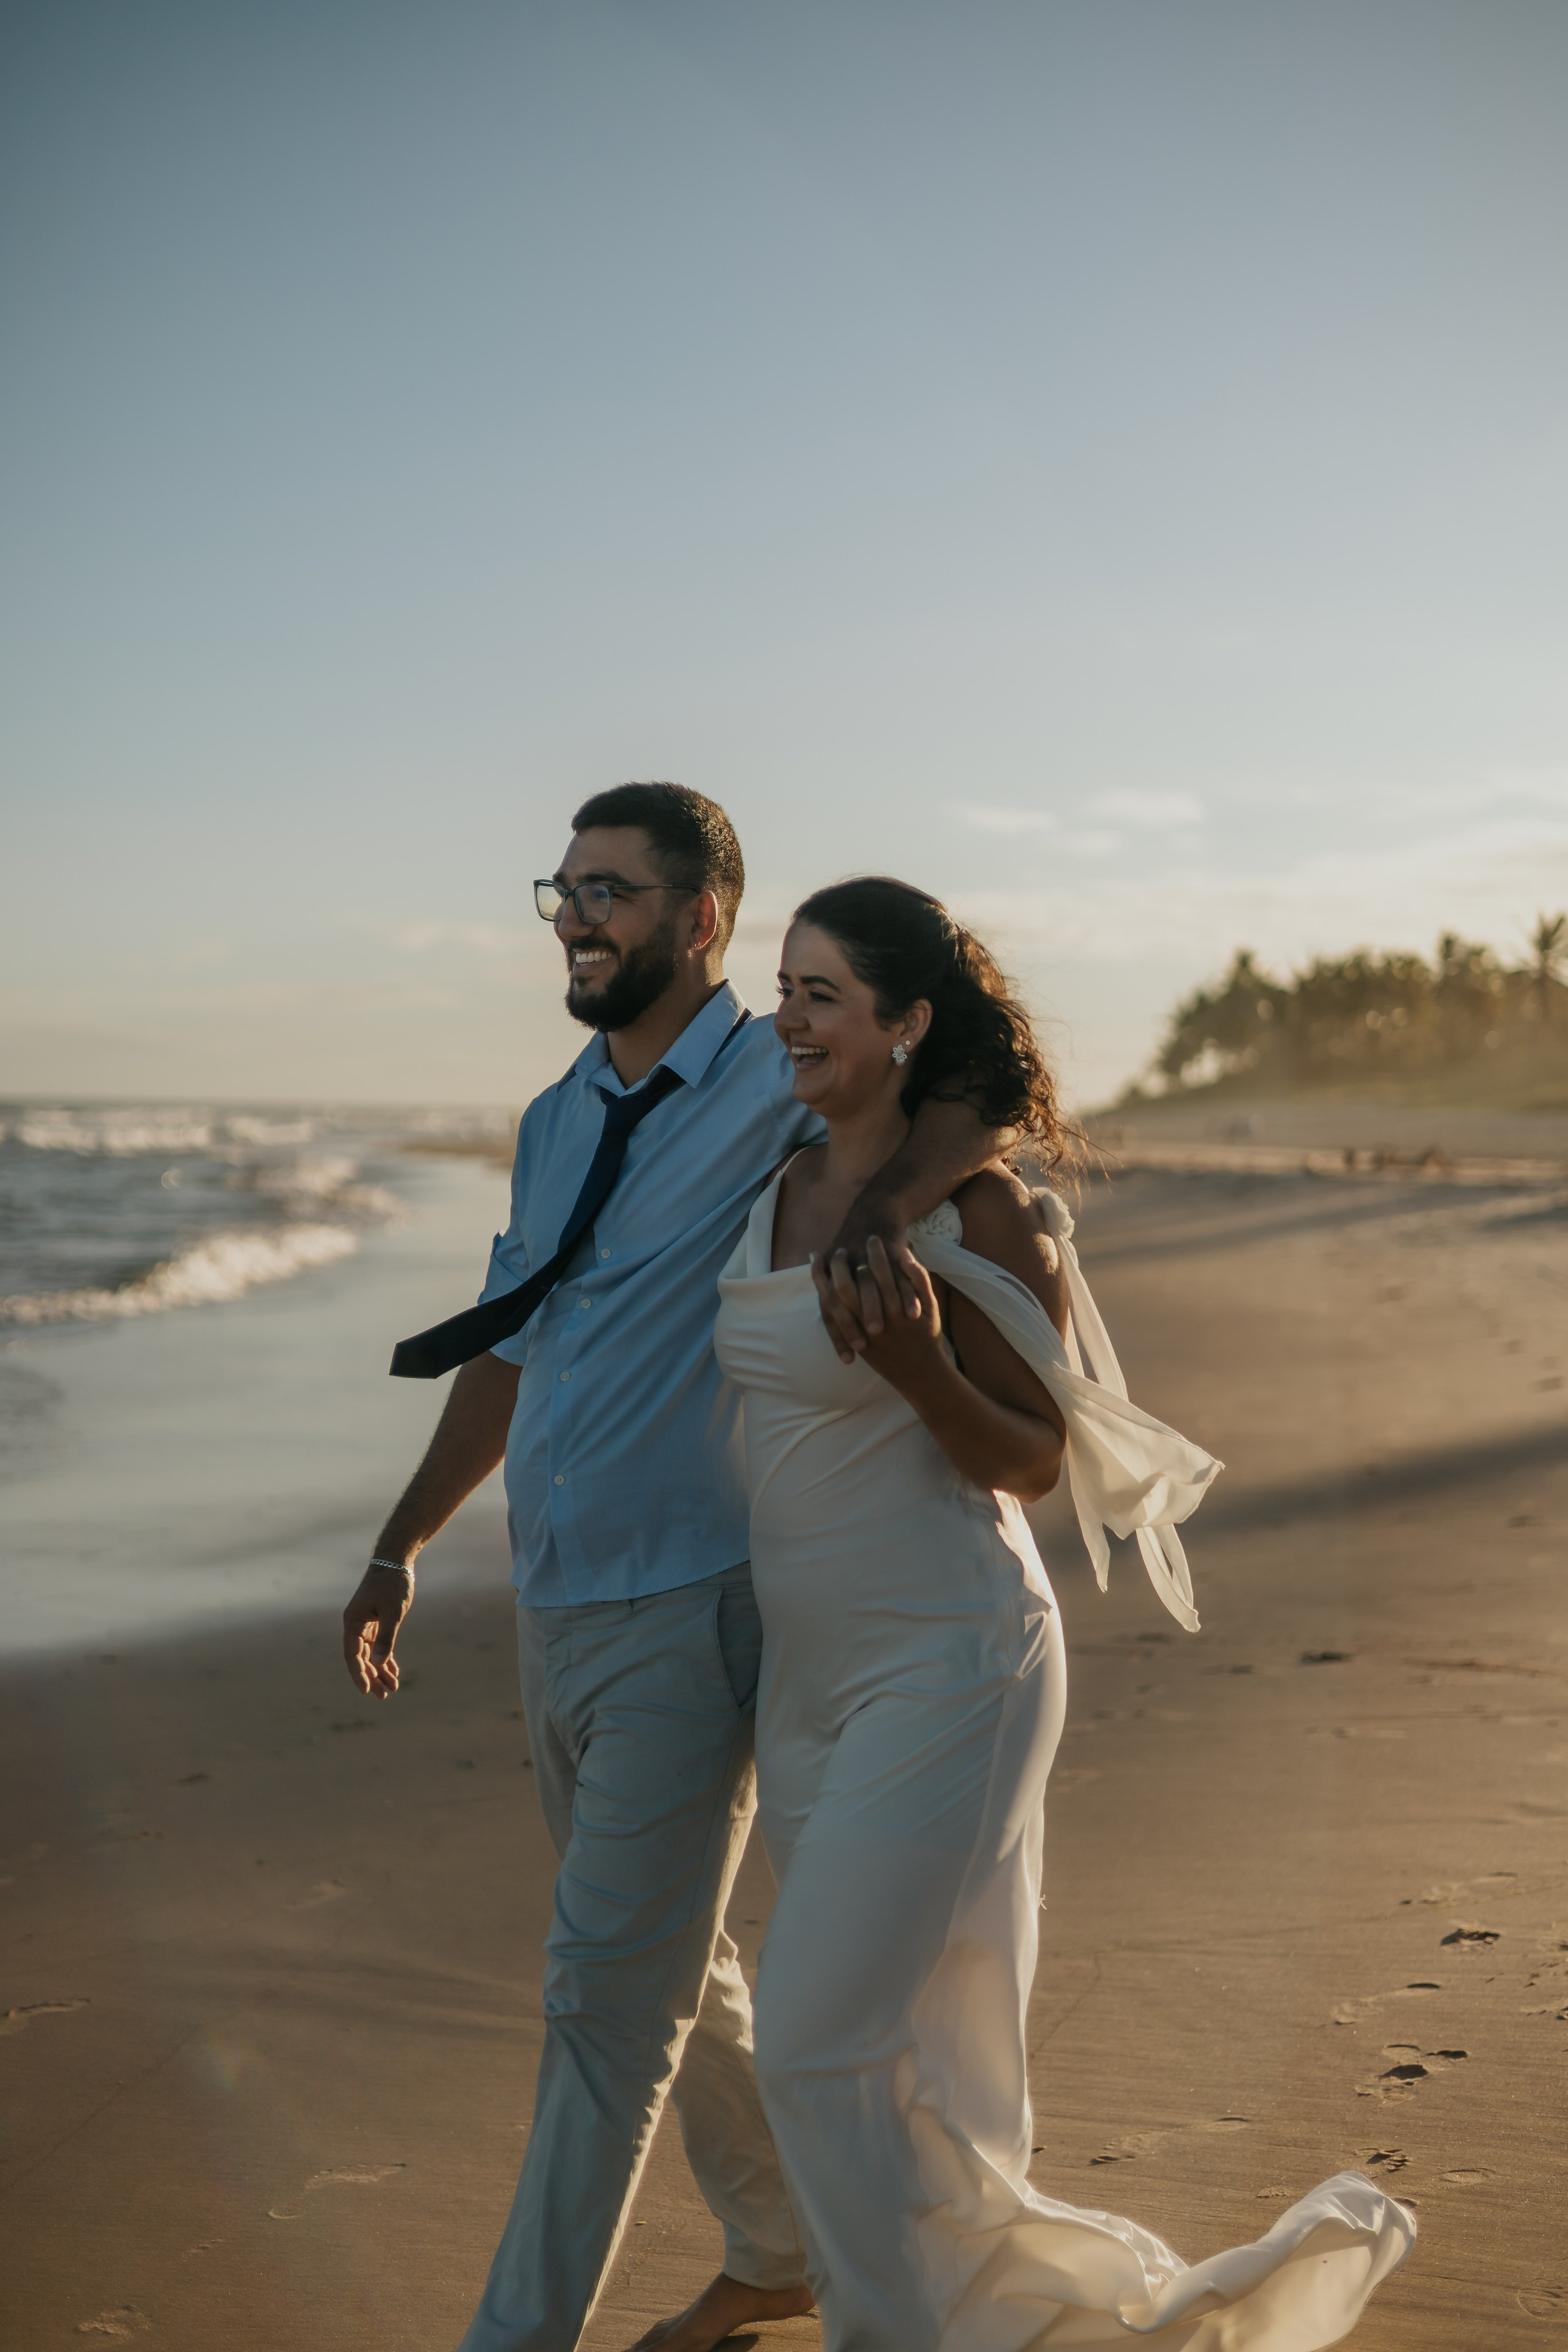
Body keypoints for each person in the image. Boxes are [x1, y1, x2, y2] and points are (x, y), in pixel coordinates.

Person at [340, 788, 1010, 2352]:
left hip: (701, 1602)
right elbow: (516, 1345)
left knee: (600, 2003)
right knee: (664, 1953)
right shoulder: (554, 1116)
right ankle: (777, 2243)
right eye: (561, 891)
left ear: (700, 918)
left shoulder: (779, 1080)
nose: (575, 919)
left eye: (611, 893)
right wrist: (400, 1541)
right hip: (556, 1597)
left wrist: (892, 1215)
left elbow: (976, 1093)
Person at [711, 876, 1416, 2351]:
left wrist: (913, 1365)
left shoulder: (978, 1210)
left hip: (950, 1661)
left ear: (904, 1024)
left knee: (815, 2046)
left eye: (821, 993)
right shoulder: (767, 1177)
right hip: (810, 1681)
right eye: (782, 987)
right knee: (911, 2074)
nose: (785, 1017)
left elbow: (1029, 1461)